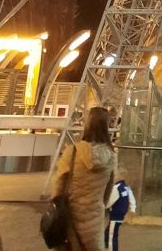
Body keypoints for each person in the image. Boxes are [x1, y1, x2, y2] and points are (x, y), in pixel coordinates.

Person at [51, 106, 117, 251]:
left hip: (70, 219)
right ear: (106, 127)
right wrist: (98, 206)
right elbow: (108, 190)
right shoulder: (111, 156)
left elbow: (58, 185)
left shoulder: (72, 152)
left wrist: (56, 206)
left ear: (87, 125)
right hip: (94, 218)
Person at [105, 175, 136, 251]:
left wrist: (103, 207)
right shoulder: (126, 188)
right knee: (107, 233)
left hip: (115, 216)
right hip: (121, 216)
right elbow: (132, 200)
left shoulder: (116, 188)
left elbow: (109, 202)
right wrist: (132, 210)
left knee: (112, 237)